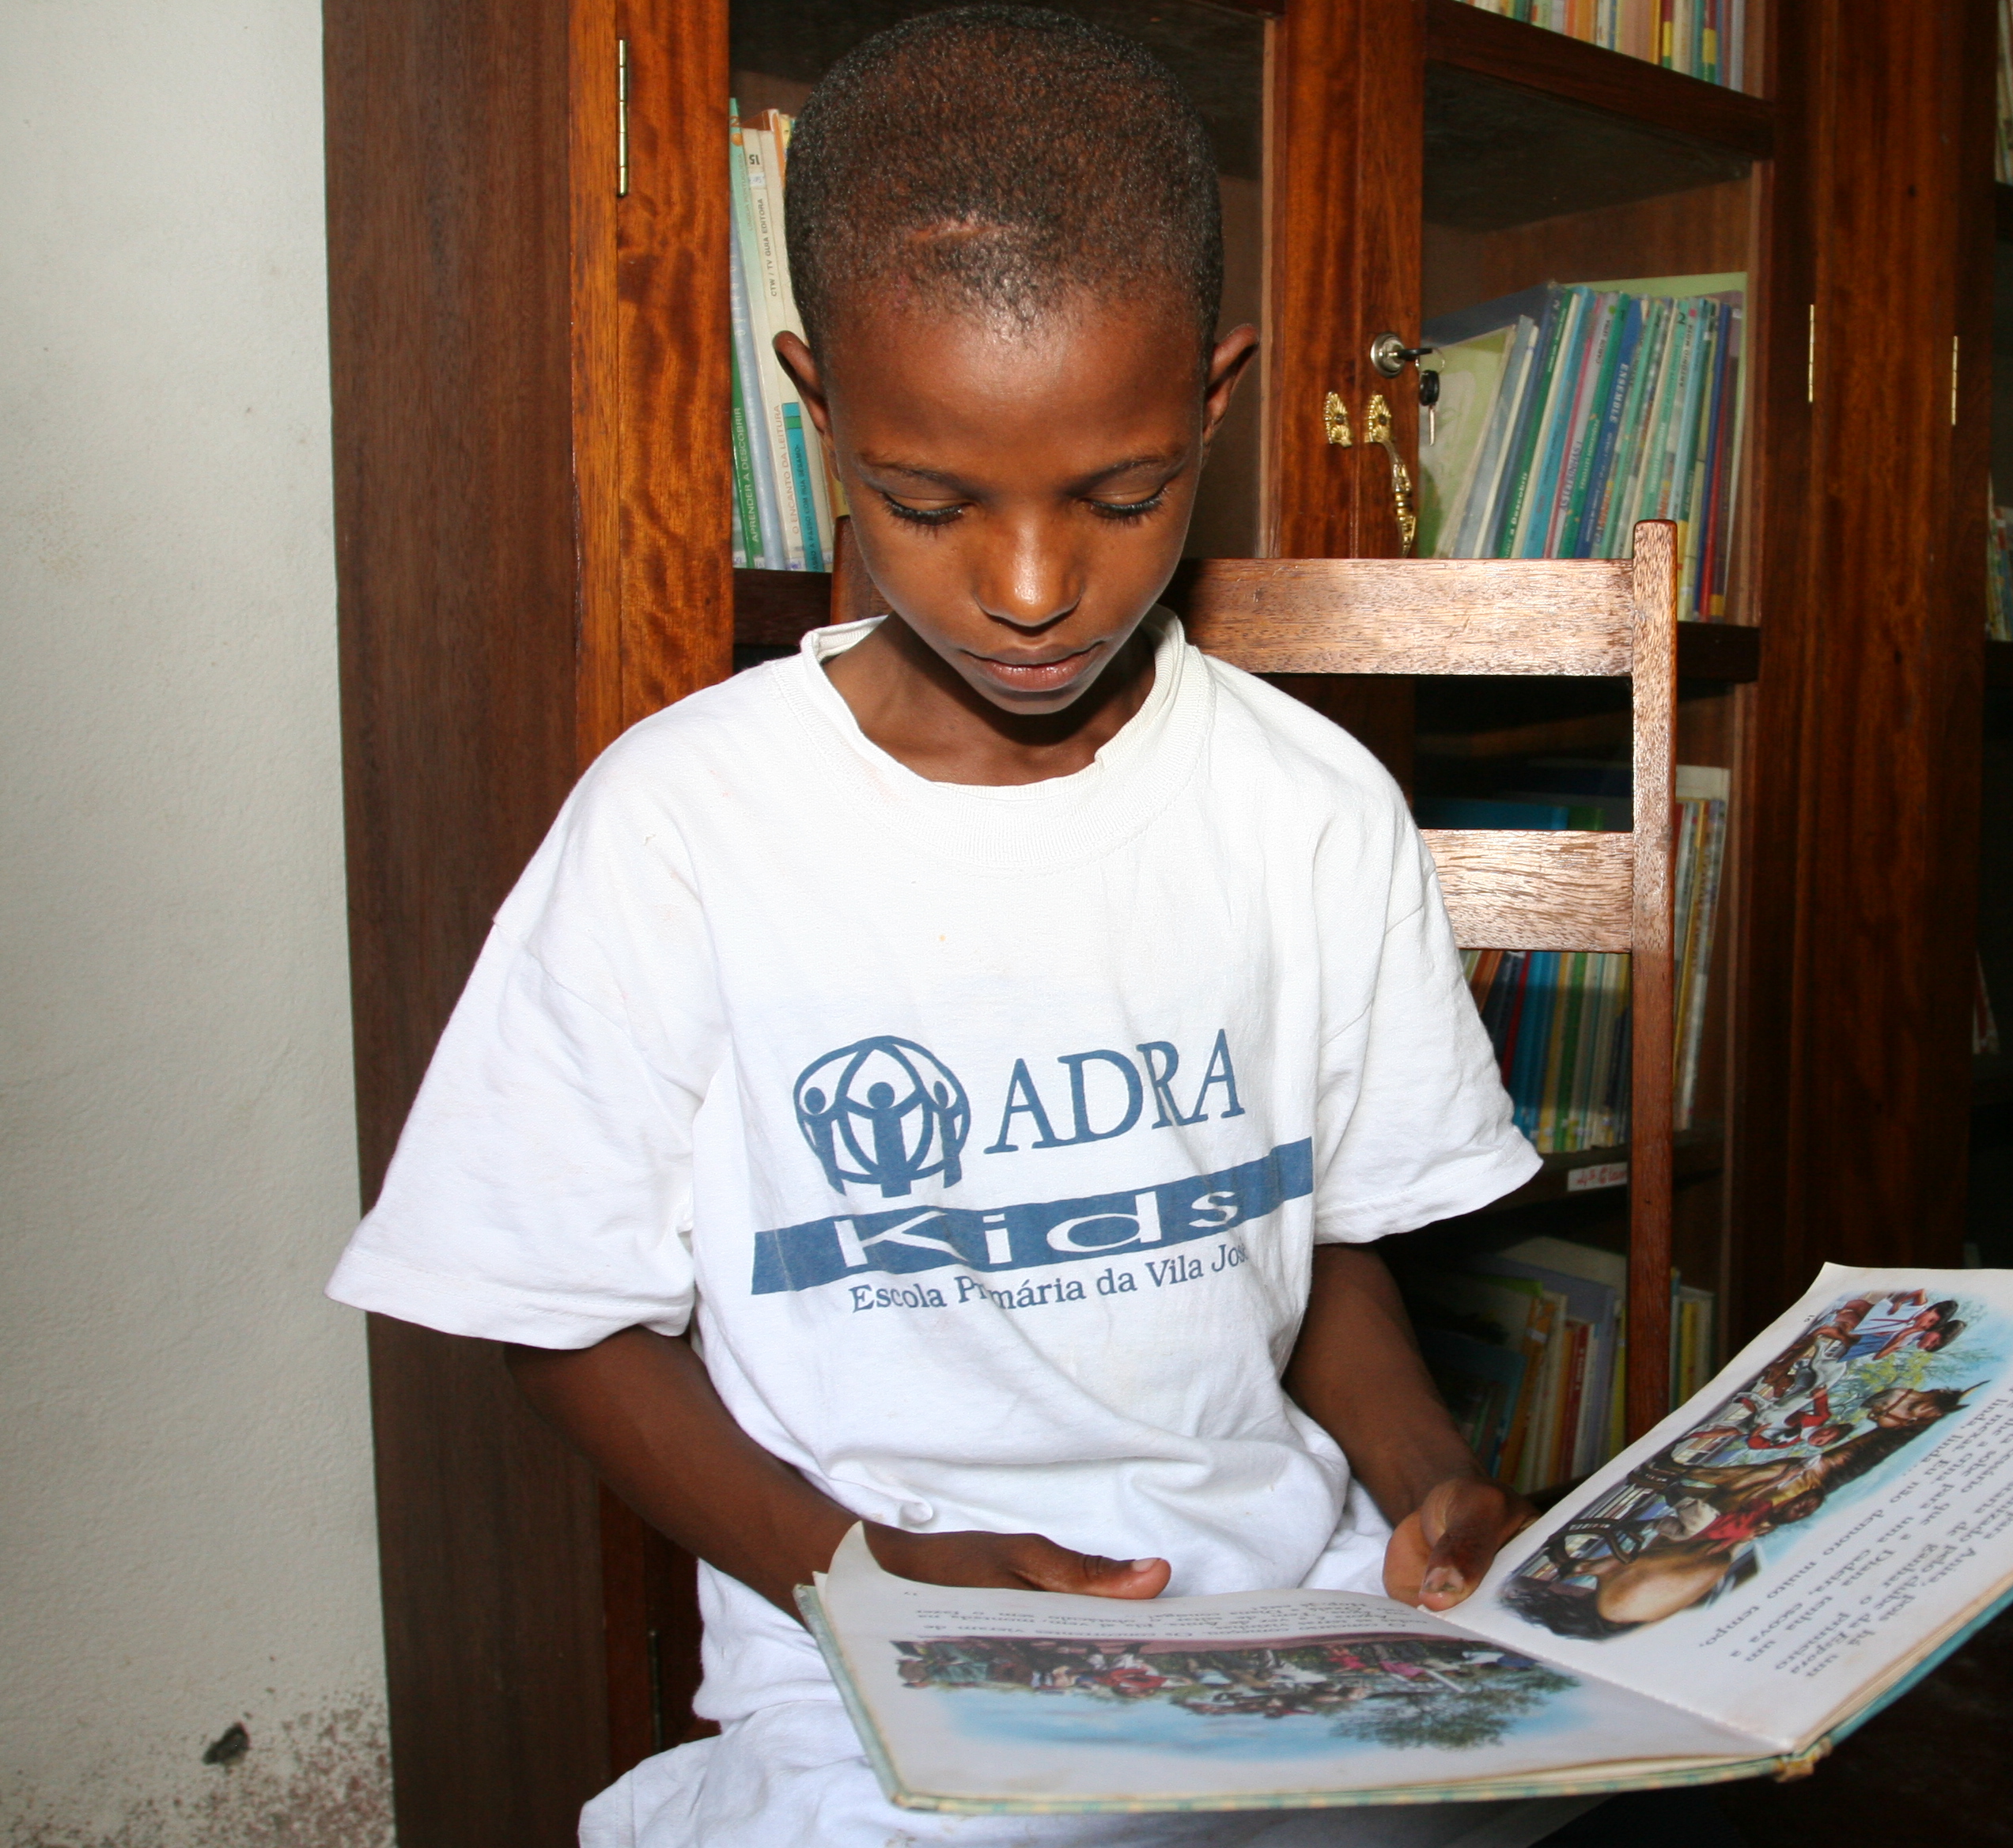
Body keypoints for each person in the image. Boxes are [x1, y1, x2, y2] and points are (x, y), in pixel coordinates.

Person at [326, 12, 1752, 1845]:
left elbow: (1310, 1258)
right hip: (873, 1643)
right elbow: (555, 1315)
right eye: (929, 503)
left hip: (1286, 1617)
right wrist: (862, 1567)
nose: (1026, 589)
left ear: (1215, 404)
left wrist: (1438, 1484)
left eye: (1124, 493)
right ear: (818, 409)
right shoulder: (684, 823)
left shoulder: (1308, 808)